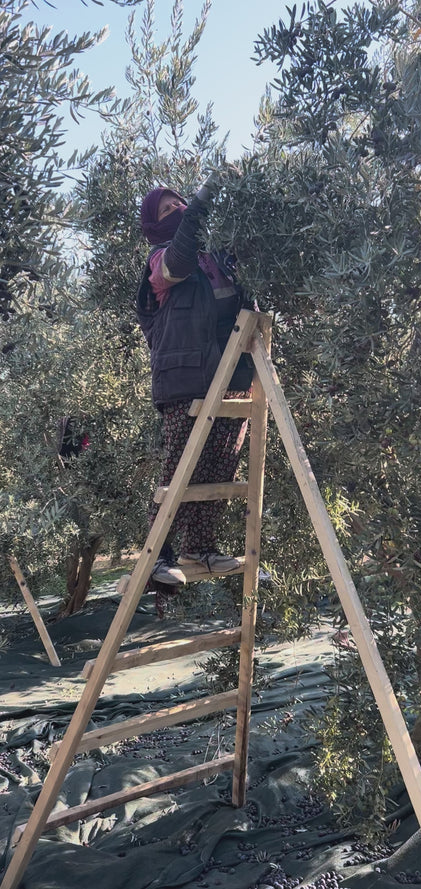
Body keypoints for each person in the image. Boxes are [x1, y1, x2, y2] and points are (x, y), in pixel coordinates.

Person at [136, 175, 255, 595]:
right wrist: (201, 204)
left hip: (232, 375)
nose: (178, 210)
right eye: (168, 209)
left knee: (220, 466)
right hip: (185, 379)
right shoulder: (160, 261)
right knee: (179, 471)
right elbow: (178, 263)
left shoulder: (217, 257)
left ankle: (199, 548)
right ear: (154, 225)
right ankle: (157, 556)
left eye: (180, 203)